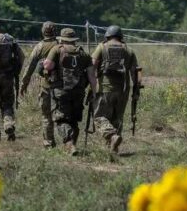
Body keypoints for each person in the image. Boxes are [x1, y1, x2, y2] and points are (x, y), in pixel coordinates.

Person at [42, 28, 97, 156]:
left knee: (61, 120)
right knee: (73, 120)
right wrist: (94, 93)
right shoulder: (84, 54)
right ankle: (73, 145)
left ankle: (69, 143)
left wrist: (44, 64)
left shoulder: (57, 49)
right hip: (78, 91)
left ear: (62, 38)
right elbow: (91, 76)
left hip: (61, 91)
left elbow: (48, 66)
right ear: (74, 40)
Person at [92, 25, 141, 153]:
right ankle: (114, 148)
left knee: (99, 117)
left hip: (104, 88)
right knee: (117, 118)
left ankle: (111, 136)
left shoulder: (102, 47)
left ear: (107, 35)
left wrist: (91, 83)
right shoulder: (129, 50)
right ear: (121, 36)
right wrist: (136, 91)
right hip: (123, 90)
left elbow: (92, 65)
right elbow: (135, 73)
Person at [19, 21, 60, 148]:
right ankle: (68, 141)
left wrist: (24, 84)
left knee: (46, 115)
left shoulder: (39, 46)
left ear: (43, 32)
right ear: (55, 31)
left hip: (46, 86)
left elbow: (30, 67)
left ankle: (49, 143)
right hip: (62, 86)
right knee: (62, 115)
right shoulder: (61, 45)